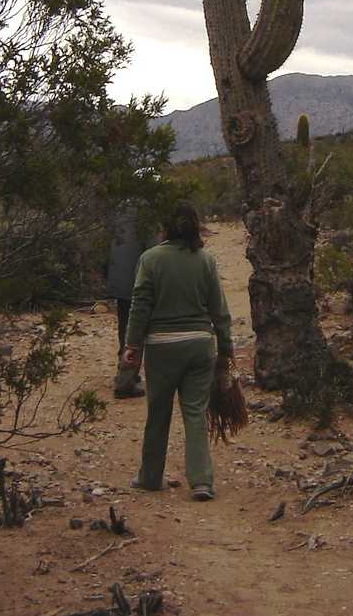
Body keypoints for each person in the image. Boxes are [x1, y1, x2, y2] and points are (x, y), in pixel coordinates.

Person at [121, 200, 233, 501]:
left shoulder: (150, 259)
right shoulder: (206, 260)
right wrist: (225, 348)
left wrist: (132, 345)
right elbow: (219, 310)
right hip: (199, 345)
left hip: (162, 348)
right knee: (195, 412)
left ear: (165, 228)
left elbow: (140, 306)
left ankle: (150, 477)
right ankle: (201, 481)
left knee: (158, 412)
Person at [106, 200, 149, 398]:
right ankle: (126, 380)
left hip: (119, 275)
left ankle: (123, 367)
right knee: (137, 327)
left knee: (125, 323)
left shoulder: (118, 206)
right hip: (136, 278)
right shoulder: (146, 208)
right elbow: (152, 247)